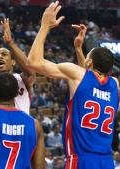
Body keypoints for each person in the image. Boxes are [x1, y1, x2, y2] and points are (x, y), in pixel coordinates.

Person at [26, 1, 119, 168]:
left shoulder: (77, 74)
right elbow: (88, 80)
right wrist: (79, 49)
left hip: (80, 159)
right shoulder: (114, 85)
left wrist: (45, 26)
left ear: (89, 62)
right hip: (106, 162)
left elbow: (33, 62)